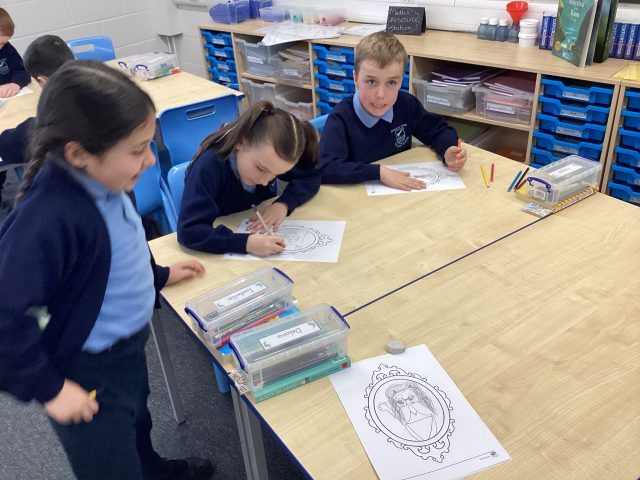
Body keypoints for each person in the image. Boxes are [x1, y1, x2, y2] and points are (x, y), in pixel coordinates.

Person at [0, 60, 213, 480]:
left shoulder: (111, 180)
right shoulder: (48, 218)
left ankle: (149, 468)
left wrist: (158, 276)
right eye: (137, 150)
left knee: (136, 422)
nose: (149, 160)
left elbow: (124, 244)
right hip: (84, 370)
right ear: (78, 153)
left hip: (127, 350)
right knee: (109, 462)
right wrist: (50, 388)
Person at [318, 31, 467, 190]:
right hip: (358, 195)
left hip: (398, 192)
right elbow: (326, 168)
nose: (380, 95)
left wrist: (448, 148)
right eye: (371, 81)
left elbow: (438, 130)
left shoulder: (407, 105)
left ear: (401, 81)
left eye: (391, 83)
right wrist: (379, 172)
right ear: (355, 79)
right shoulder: (340, 118)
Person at [177, 100, 320, 256]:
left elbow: (310, 177)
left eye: (276, 174)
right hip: (218, 250)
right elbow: (189, 231)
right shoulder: (209, 166)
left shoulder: (270, 159)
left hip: (245, 224)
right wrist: (245, 243)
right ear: (240, 142)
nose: (265, 182)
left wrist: (283, 204)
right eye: (261, 169)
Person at [0, 35, 74, 202]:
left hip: (68, 199)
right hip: (122, 187)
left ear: (42, 81)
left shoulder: (47, 122)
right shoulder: (106, 91)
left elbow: (6, 145)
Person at [0, 7, 30, 98]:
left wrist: (15, 84)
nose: (0, 47)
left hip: (11, 99)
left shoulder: (7, 48)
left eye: (2, 43)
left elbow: (22, 71)